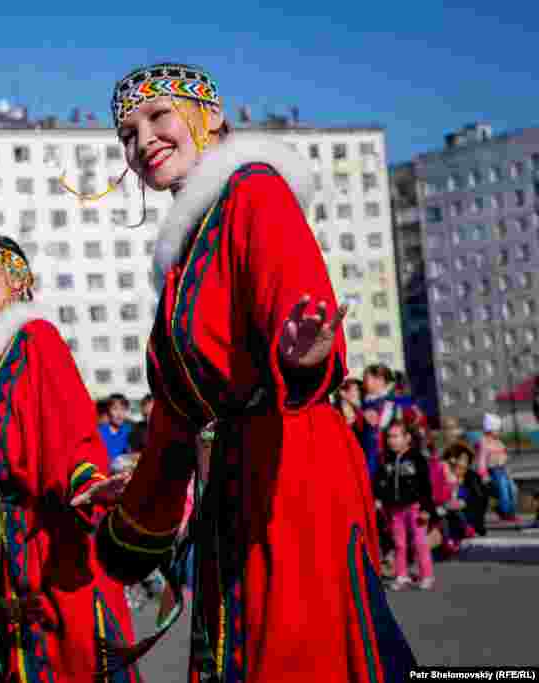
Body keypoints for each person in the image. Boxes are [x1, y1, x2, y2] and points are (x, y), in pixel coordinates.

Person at [90, 63, 415, 681]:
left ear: (212, 119)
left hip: (290, 469)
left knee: (296, 652)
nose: (143, 140)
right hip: (231, 484)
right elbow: (175, 417)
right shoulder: (187, 248)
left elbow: (300, 306)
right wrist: (137, 506)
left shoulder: (254, 191)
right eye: (128, 134)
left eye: (159, 117)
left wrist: (302, 352)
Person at [0, 233, 141, 682]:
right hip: (9, 536)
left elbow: (68, 425)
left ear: (17, 277)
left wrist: (87, 479)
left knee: (68, 656)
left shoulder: (36, 338)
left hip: (48, 534)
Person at [373, 421, 435, 591]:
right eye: (389, 437)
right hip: (395, 509)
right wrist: (378, 498)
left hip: (415, 508)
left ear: (407, 438)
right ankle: (402, 575)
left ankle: (427, 575)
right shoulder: (387, 460)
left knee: (419, 542)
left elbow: (426, 486)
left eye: (395, 436)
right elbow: (379, 482)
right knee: (399, 543)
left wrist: (426, 509)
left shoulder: (417, 458)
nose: (391, 441)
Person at [476, 413, 520, 523]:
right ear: (490, 429)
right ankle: (507, 513)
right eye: (498, 430)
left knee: (513, 489)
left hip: (503, 470)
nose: (499, 432)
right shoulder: (484, 443)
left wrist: (507, 467)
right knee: (503, 490)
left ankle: (509, 511)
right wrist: (484, 475)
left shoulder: (498, 442)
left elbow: (504, 457)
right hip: (494, 471)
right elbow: (481, 461)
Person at [99, 394, 134, 472]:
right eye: (115, 409)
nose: (119, 413)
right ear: (108, 411)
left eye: (123, 409)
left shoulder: (129, 431)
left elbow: (132, 455)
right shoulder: (100, 433)